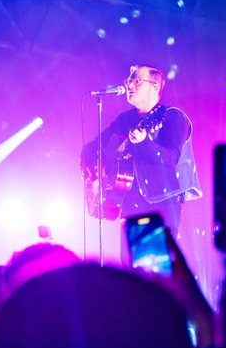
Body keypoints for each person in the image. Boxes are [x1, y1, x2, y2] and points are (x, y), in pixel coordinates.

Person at [81, 65, 200, 233]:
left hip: (161, 207)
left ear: (155, 87)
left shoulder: (173, 116)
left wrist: (144, 142)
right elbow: (95, 145)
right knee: (128, 258)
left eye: (136, 81)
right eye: (129, 81)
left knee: (155, 256)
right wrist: (88, 159)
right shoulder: (125, 119)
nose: (130, 85)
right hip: (128, 203)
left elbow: (171, 158)